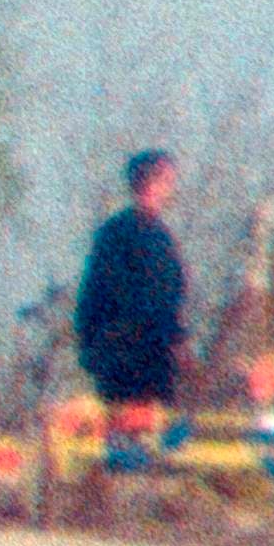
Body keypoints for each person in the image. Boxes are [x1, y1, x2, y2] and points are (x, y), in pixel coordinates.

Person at [73, 148, 192, 416]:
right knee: (135, 433)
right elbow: (155, 300)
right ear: (153, 182)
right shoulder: (137, 236)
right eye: (168, 180)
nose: (171, 188)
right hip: (137, 358)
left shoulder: (132, 233)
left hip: (136, 355)